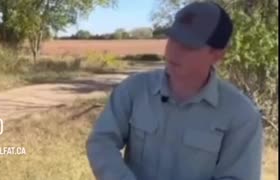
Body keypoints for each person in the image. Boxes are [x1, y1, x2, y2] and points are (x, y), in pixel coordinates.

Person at [86, 2, 264, 180]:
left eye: (188, 45)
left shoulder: (241, 116)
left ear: (217, 54)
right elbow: (102, 141)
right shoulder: (134, 90)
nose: (174, 51)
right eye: (173, 39)